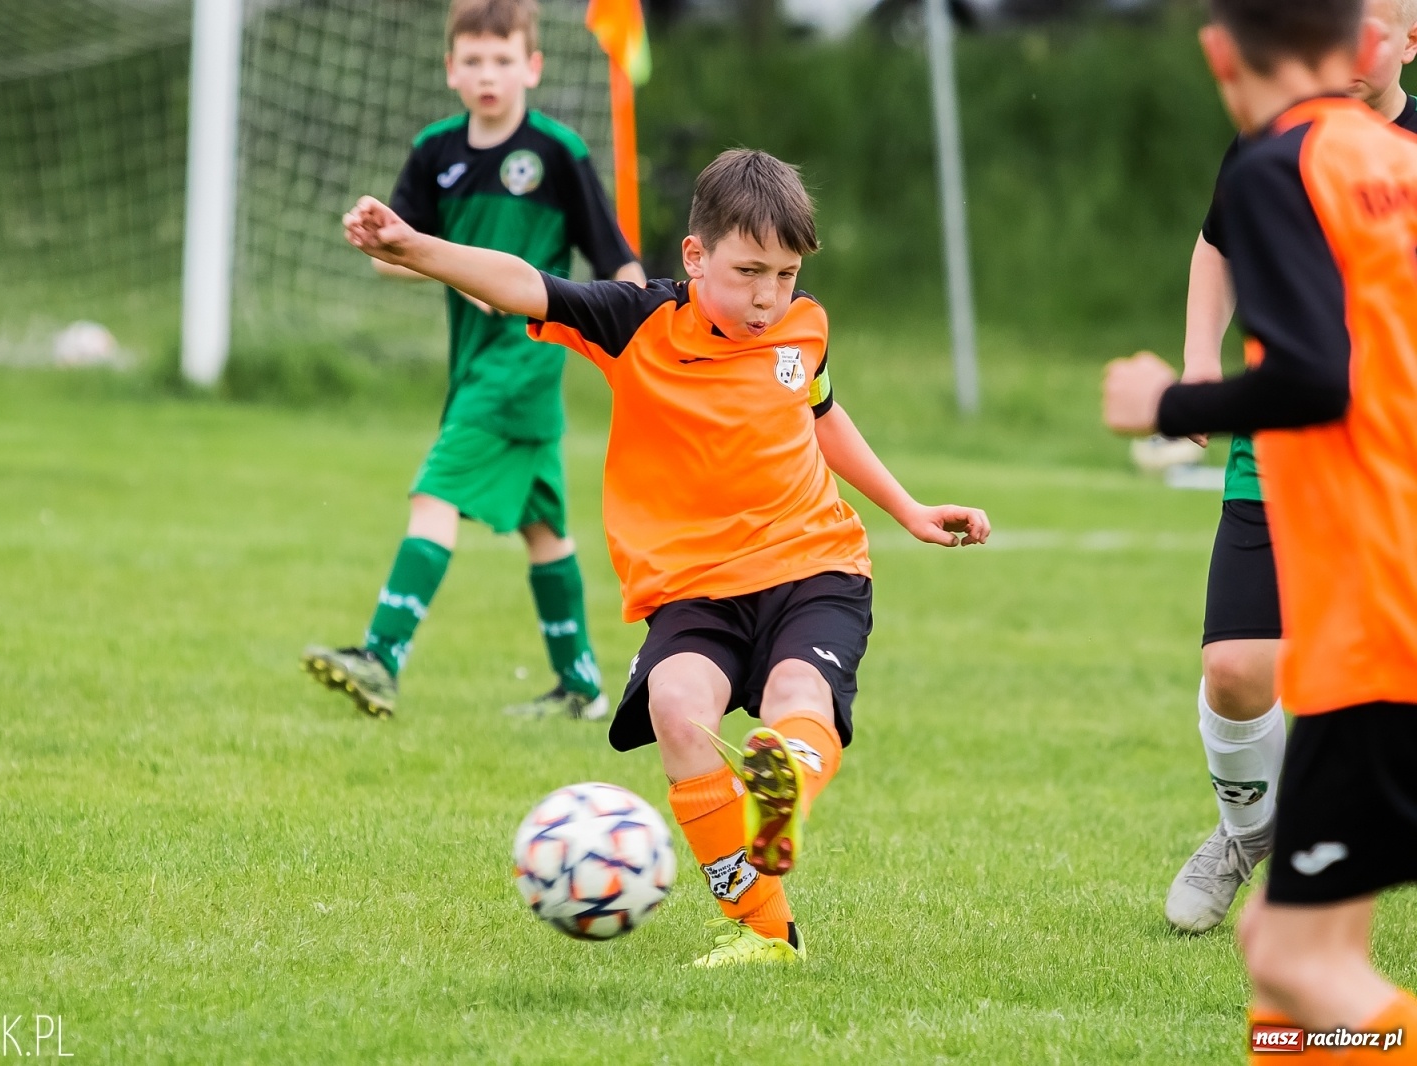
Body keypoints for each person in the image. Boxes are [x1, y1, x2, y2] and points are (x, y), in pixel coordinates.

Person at [345, 148, 991, 965]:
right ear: (695, 256)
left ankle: (782, 779)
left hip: (813, 566)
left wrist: (907, 507)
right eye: (748, 269)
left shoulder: (804, 326)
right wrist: (414, 248)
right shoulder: (636, 320)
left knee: (800, 693)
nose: (767, 296)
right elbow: (522, 281)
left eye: (786, 274)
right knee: (679, 709)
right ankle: (766, 933)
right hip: (692, 588)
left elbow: (821, 415)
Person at [1104, 0, 1417, 1057]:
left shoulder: (1286, 160)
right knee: (1291, 949)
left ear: (1219, 54)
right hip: (1371, 584)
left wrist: (1166, 403)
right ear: (1357, 48)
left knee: (1297, 956)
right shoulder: (1381, 162)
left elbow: (1316, 376)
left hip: (1376, 619)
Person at [302, 0, 646, 721]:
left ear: (532, 66)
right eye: (474, 61)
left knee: (437, 493)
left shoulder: (557, 154)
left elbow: (618, 262)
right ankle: (582, 689)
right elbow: (397, 258)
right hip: (473, 362)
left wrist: (641, 337)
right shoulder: (435, 151)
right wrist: (382, 240)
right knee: (543, 528)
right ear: (451, 69)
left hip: (522, 363)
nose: (488, 74)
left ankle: (381, 658)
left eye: (502, 59)